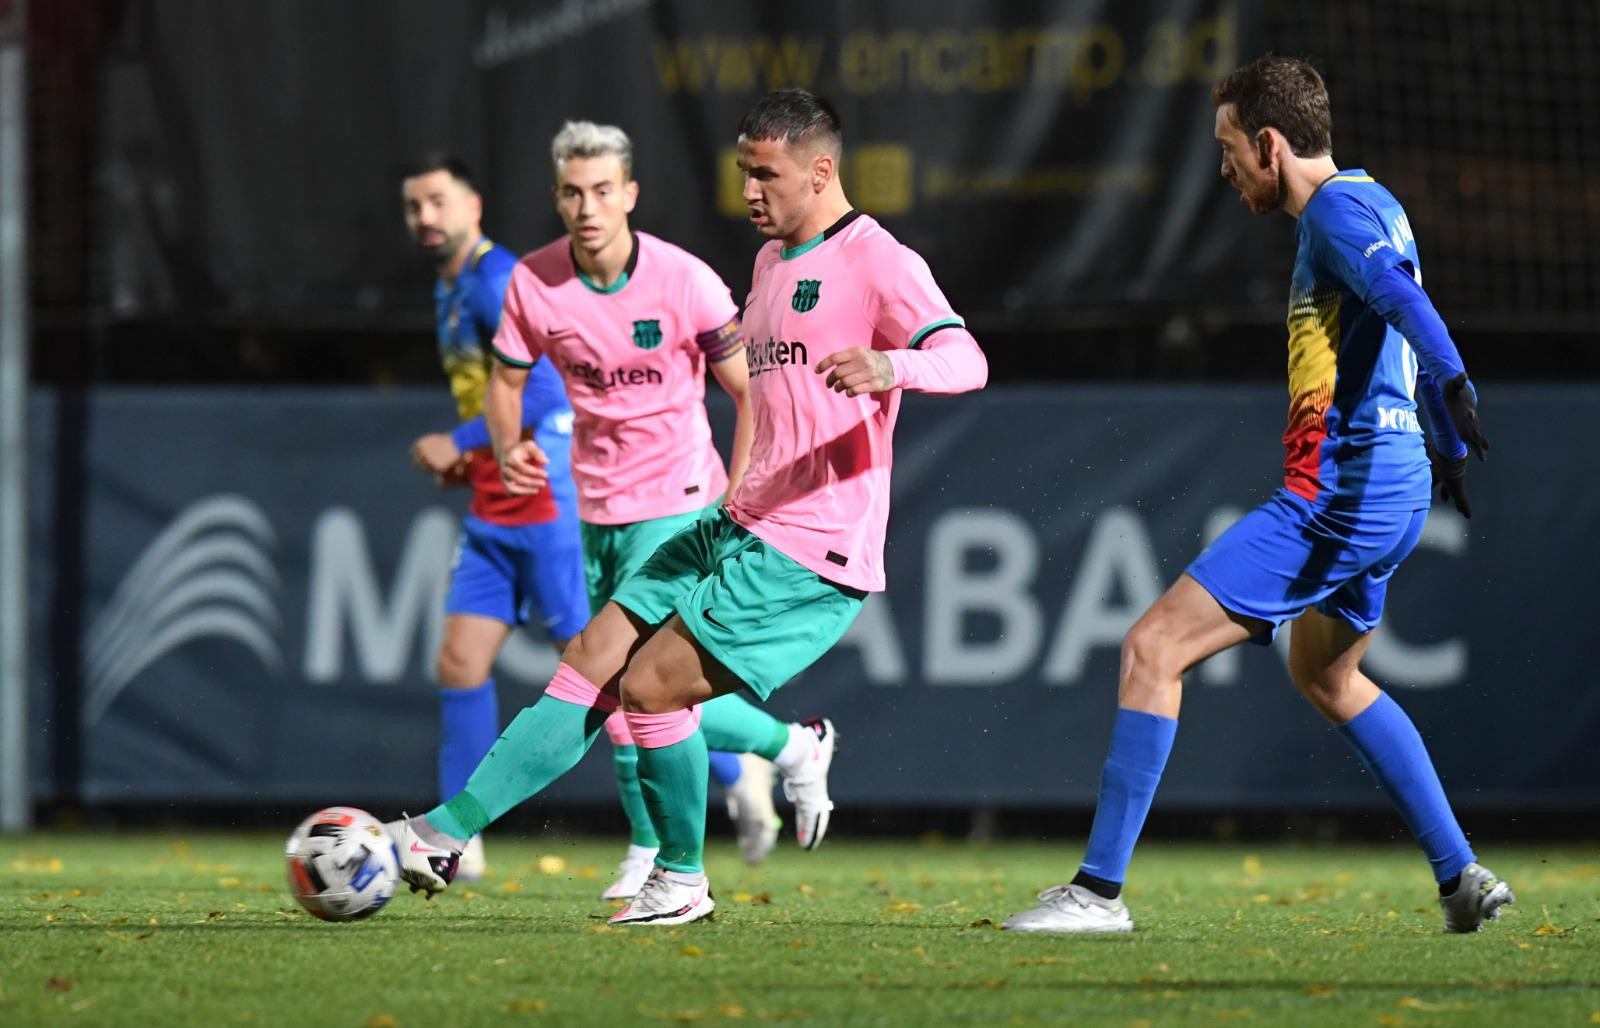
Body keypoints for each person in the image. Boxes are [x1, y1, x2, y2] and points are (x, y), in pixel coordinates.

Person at [391, 89, 988, 925]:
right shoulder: (771, 262)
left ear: (821, 171)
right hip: (739, 520)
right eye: (743, 173)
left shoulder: (877, 260)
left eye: (765, 175)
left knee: (653, 688)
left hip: (812, 546)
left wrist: (895, 369)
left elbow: (966, 358)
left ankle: (679, 878)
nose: (748, 192)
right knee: (594, 654)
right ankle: (444, 833)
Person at [1003, 55, 1512, 935]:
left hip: (1341, 493)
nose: (1225, 165)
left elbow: (1395, 298)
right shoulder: (1376, 201)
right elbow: (1389, 317)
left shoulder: (1335, 211)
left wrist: (1456, 379)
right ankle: (1461, 875)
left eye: (1229, 147)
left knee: (1151, 649)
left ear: (1271, 143)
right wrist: (1448, 437)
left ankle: (1098, 894)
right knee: (1327, 672)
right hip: (1395, 484)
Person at [423, 121, 823, 901]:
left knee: (620, 683)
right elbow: (506, 387)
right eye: (573, 192)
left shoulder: (687, 283)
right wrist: (505, 447)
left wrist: (736, 498)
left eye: (603, 190)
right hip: (593, 509)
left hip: (680, 503)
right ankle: (791, 748)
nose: (588, 206)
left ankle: (649, 853)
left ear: (630, 194)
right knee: (625, 692)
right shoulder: (534, 285)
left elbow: (750, 392)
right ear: (557, 198)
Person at [400, 154, 590, 881]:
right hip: (493, 501)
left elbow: (546, 394)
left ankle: (763, 757)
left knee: (603, 671)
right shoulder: (450, 286)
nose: (426, 218)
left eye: (438, 201)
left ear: (473, 204)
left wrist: (462, 440)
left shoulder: (497, 279)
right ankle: (453, 838)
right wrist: (471, 461)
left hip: (541, 496)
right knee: (459, 662)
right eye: (414, 206)